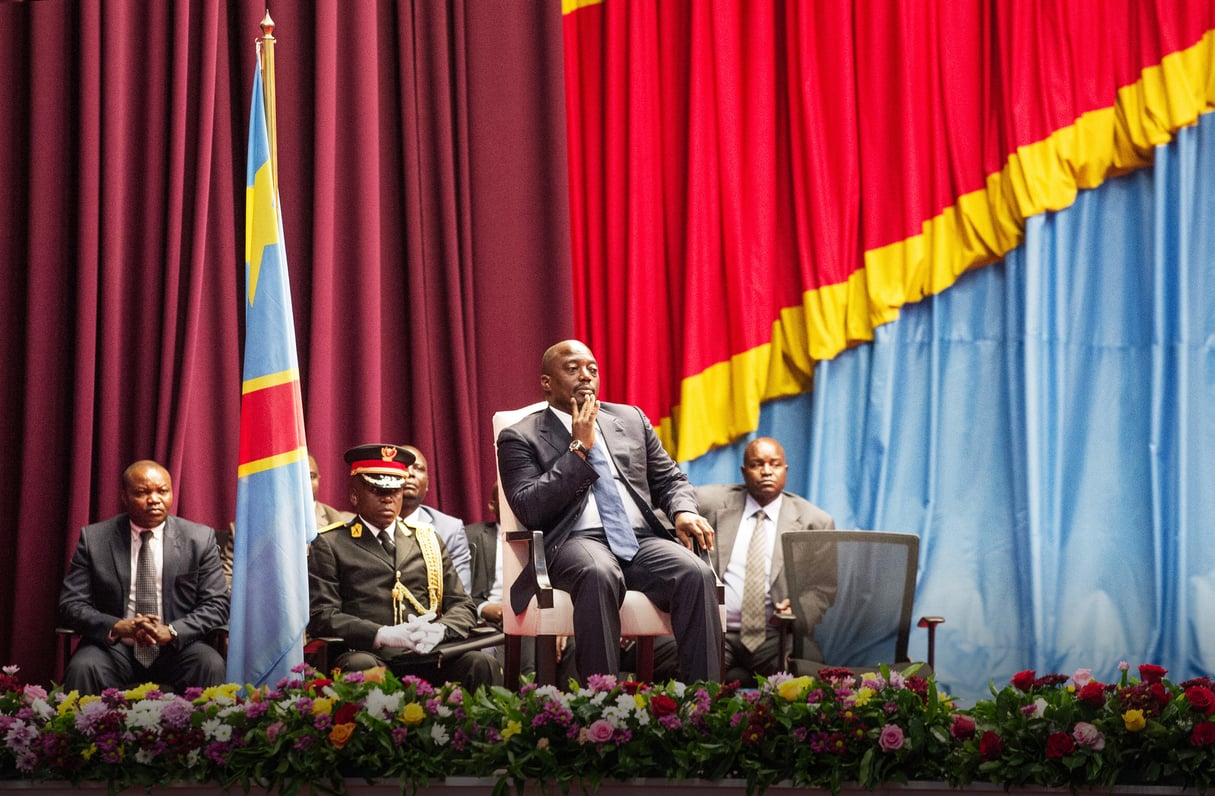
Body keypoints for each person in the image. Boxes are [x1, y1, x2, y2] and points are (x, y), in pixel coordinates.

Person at [496, 339, 722, 683]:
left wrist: (682, 511)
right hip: (573, 541)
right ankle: (603, 708)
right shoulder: (520, 436)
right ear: (547, 383)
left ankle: (707, 704)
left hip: (638, 539)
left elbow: (669, 479)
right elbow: (529, 507)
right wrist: (579, 449)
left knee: (696, 573)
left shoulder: (630, 419)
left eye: (592, 369)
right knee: (599, 572)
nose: (586, 376)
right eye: (572, 369)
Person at [307, 443, 498, 691]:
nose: (388, 497)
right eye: (376, 489)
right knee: (362, 668)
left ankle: (477, 732)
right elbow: (323, 615)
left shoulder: (427, 538)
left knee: (480, 663)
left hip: (426, 652)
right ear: (354, 495)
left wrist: (442, 629)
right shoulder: (331, 543)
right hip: (368, 652)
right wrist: (381, 634)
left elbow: (462, 604)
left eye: (395, 489)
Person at [58, 460, 230, 694]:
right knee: (83, 667)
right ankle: (81, 731)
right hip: (114, 649)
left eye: (162, 491)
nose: (154, 499)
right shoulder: (95, 539)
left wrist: (171, 631)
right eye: (142, 492)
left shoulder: (199, 539)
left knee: (210, 664)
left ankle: (205, 731)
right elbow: (71, 604)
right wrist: (118, 626)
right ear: (125, 497)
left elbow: (217, 605)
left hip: (177, 648)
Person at [695, 436, 835, 686]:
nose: (767, 471)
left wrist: (799, 609)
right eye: (757, 464)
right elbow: (659, 519)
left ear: (785, 470)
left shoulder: (815, 523)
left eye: (775, 464)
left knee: (810, 679)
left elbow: (823, 587)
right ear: (744, 471)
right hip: (714, 631)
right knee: (687, 674)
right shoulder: (708, 503)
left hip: (776, 635)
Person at [399, 445, 473, 594]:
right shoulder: (370, 524)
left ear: (427, 484)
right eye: (403, 466)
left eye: (418, 468)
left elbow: (460, 598)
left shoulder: (450, 529)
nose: (410, 473)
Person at [310, 451, 354, 528]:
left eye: (311, 477)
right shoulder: (282, 517)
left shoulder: (338, 520)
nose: (305, 483)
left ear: (318, 479)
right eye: (300, 477)